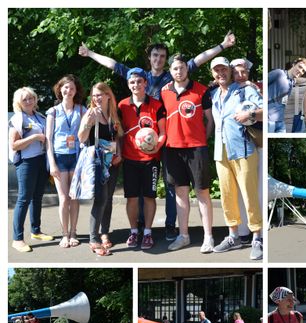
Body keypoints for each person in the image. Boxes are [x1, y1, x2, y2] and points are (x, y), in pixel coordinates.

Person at [79, 32, 235, 241]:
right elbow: (113, 65)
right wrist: (89, 53)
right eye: (155, 55)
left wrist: (223, 45)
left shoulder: (174, 74)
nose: (159, 59)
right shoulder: (140, 77)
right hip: (141, 141)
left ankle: (170, 226)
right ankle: (142, 227)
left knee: (171, 186)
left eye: (162, 56)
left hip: (167, 138)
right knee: (140, 188)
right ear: (150, 58)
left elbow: (200, 58)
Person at [210, 57, 263, 260]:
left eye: (224, 69)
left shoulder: (244, 90)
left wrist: (248, 114)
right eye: (217, 70)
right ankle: (233, 236)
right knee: (227, 194)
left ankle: (257, 237)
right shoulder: (214, 94)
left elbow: (264, 111)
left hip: (243, 149)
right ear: (213, 74)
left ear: (230, 71)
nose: (221, 73)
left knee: (250, 195)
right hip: (220, 151)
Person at [161, 54, 214, 253]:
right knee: (180, 193)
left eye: (182, 68)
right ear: (170, 71)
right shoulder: (164, 92)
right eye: (175, 69)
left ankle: (208, 238)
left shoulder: (202, 90)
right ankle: (183, 236)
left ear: (187, 69)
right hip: (173, 149)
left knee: (202, 192)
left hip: (196, 148)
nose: (179, 72)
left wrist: (201, 139)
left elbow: (210, 121)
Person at [118, 68, 166, 250]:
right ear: (128, 85)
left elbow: (162, 132)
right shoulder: (122, 105)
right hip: (130, 159)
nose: (135, 85)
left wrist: (157, 146)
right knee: (131, 198)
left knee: (148, 197)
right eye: (132, 82)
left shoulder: (156, 105)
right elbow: (119, 133)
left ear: (145, 83)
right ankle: (133, 232)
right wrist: (118, 153)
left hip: (150, 160)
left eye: (139, 81)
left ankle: (147, 233)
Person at [78, 82, 124, 256]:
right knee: (101, 199)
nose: (96, 98)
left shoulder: (113, 114)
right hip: (97, 162)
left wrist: (119, 153)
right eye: (94, 95)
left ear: (107, 96)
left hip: (112, 162)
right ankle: (93, 238)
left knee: (109, 198)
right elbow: (81, 138)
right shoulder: (90, 113)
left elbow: (117, 136)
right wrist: (88, 123)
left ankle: (105, 232)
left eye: (100, 95)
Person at [9, 87, 54, 253]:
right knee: (24, 199)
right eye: (25, 99)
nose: (28, 101)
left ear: (35, 99)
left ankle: (36, 231)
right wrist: (34, 137)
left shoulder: (39, 116)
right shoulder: (17, 119)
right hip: (26, 162)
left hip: (41, 160)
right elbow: (13, 145)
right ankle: (17, 239)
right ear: (19, 102)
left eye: (31, 98)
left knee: (37, 197)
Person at [46, 74, 86, 248]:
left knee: (74, 197)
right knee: (63, 199)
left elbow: (87, 134)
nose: (68, 90)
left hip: (77, 157)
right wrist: (52, 163)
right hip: (59, 157)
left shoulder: (82, 109)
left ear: (76, 90)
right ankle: (64, 234)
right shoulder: (52, 111)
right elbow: (48, 139)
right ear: (59, 89)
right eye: (65, 87)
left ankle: (73, 232)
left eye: (72, 88)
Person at [230, 58, 263, 245]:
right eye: (236, 72)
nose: (240, 76)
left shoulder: (250, 89)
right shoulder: (228, 90)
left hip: (252, 143)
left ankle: (256, 232)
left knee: (253, 190)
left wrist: (249, 115)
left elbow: (263, 110)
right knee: (240, 191)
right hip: (235, 146)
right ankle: (243, 230)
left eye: (243, 72)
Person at [268, 58, 306, 132]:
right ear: (294, 64)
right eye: (299, 67)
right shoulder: (279, 73)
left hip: (280, 119)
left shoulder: (292, 81)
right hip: (269, 119)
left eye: (303, 70)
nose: (300, 71)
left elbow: (301, 80)